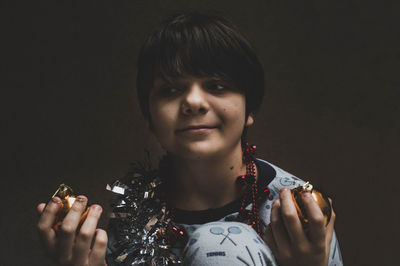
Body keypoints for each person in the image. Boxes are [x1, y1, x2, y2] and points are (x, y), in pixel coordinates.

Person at [37, 12, 343, 266]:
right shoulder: (134, 214)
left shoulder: (295, 211)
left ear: (250, 108)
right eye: (170, 90)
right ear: (150, 117)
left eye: (217, 86)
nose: (194, 102)